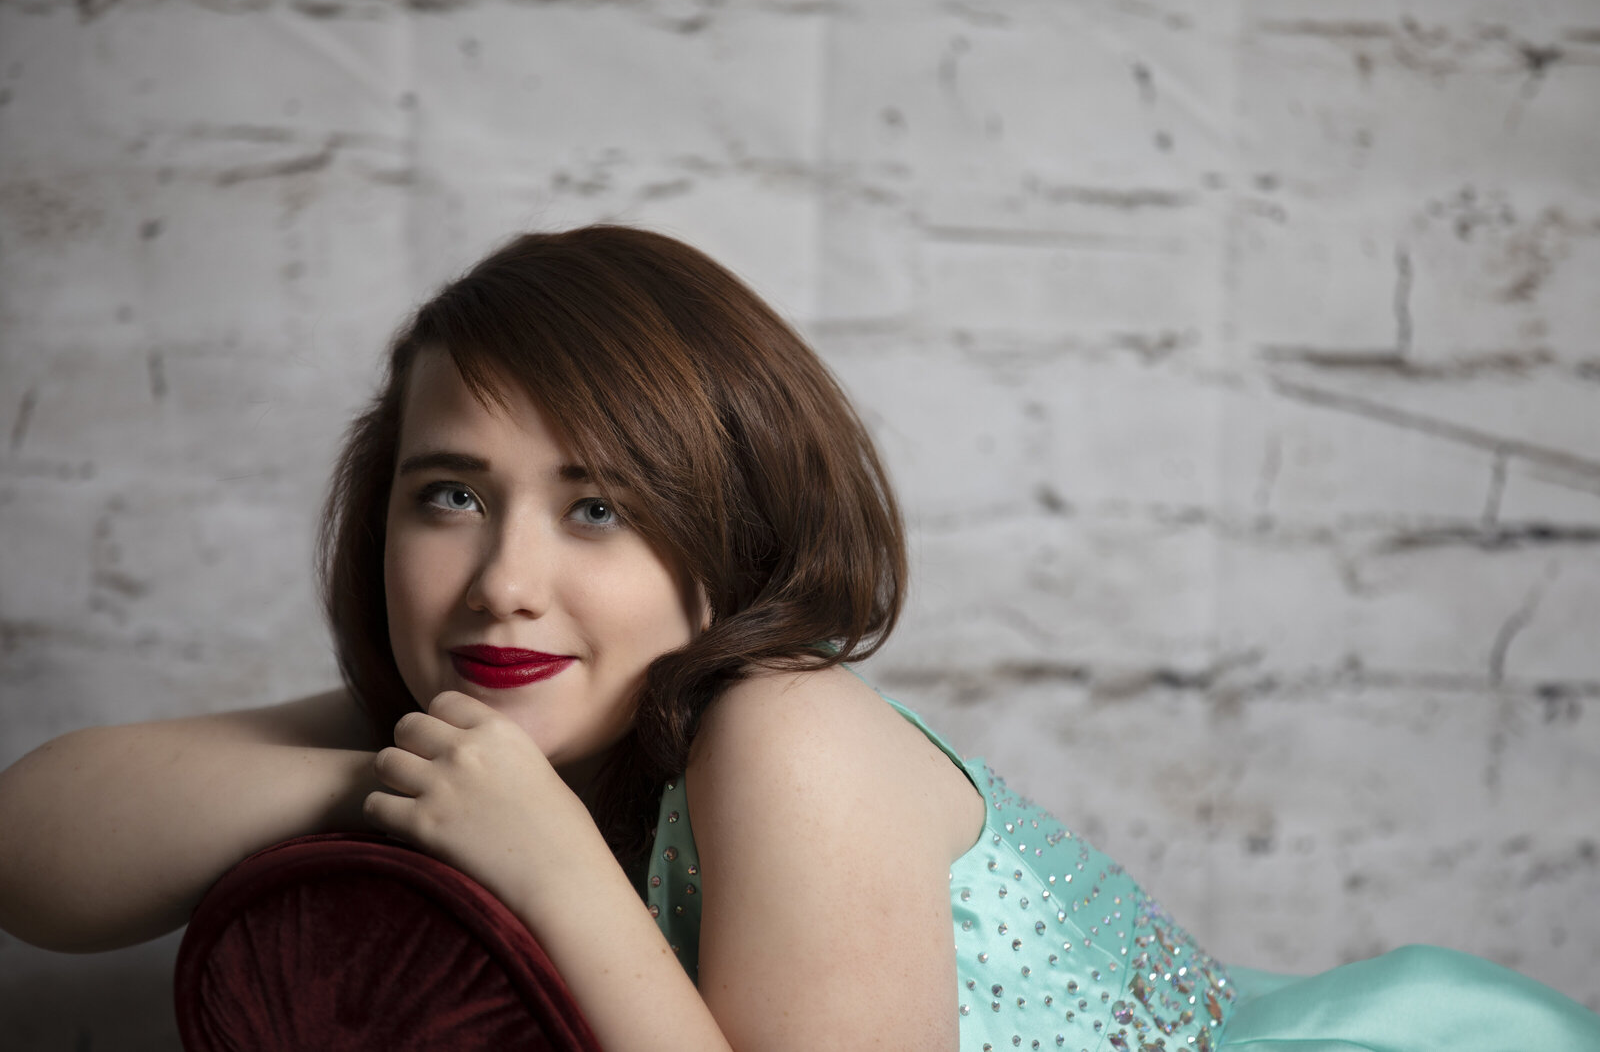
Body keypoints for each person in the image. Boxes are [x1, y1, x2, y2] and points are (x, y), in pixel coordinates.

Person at [0, 225, 1595, 1051]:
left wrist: (549, 861)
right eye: (450, 495)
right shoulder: (496, 713)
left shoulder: (789, 731)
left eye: (601, 508)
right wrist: (384, 778)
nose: (504, 580)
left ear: (728, 543)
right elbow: (35, 853)